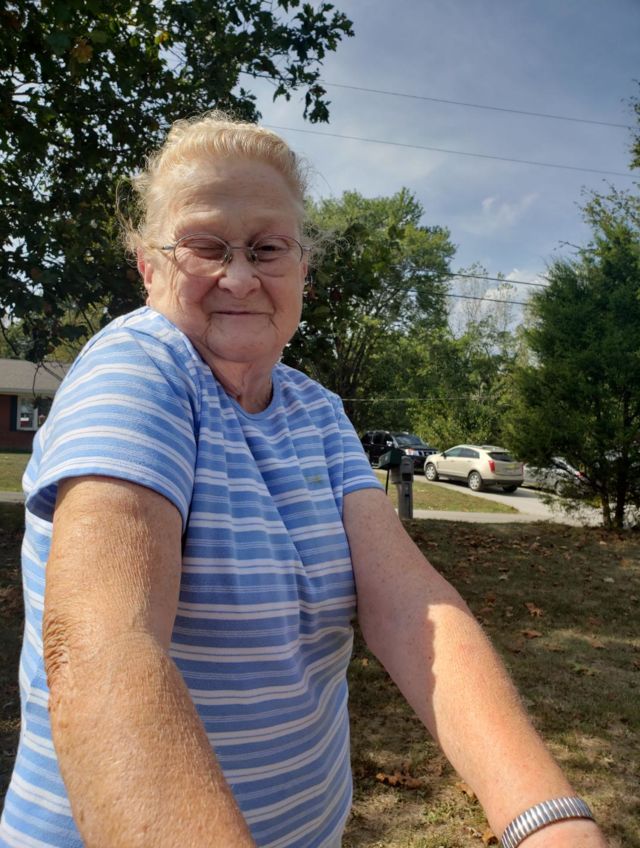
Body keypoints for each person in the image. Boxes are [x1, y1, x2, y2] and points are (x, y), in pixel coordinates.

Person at [0, 112, 606, 848]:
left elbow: (409, 608)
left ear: (301, 271)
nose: (240, 277)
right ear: (149, 267)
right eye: (204, 246)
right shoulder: (138, 370)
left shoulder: (316, 410)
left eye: (267, 248)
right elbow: (103, 649)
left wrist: (548, 819)